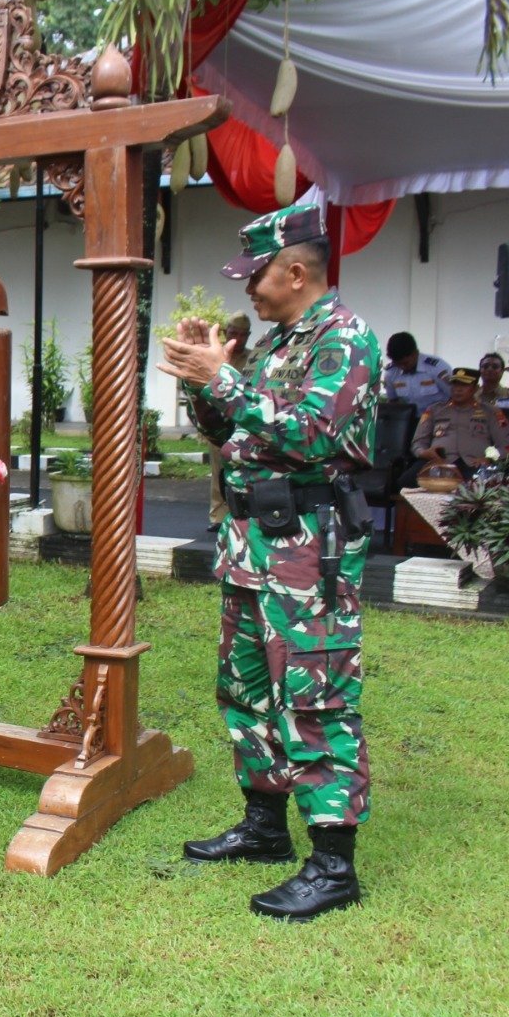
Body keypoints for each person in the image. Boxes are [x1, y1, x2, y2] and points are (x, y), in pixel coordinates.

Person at [159, 203, 379, 921]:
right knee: (246, 688)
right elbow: (234, 429)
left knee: (315, 697)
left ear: (296, 272)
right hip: (252, 545)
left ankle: (333, 865)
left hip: (308, 548)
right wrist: (204, 379)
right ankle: (264, 828)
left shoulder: (344, 339)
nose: (249, 289)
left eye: (256, 276)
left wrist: (225, 380)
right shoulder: (281, 343)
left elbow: (314, 434)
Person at [401, 367, 509, 486]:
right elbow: (418, 442)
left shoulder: (491, 412)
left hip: (474, 464)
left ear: (475, 388)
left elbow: (506, 447)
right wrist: (424, 453)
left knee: (479, 487)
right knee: (405, 482)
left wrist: (489, 459)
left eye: (464, 385)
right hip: (437, 462)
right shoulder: (434, 410)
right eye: (455, 385)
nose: (458, 389)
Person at [200, 312, 252, 531]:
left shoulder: (255, 358)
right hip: (218, 421)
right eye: (233, 333)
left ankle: (242, 512)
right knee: (218, 468)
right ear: (224, 332)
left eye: (243, 335)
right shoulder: (216, 356)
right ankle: (218, 515)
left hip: (245, 422)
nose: (238, 339)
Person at [381, 331, 451, 413]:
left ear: (416, 353)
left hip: (440, 416)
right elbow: (393, 401)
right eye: (398, 364)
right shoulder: (391, 373)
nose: (402, 367)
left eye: (405, 363)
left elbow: (455, 395)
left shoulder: (437, 368)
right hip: (409, 417)